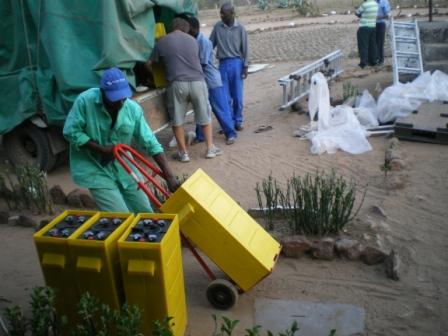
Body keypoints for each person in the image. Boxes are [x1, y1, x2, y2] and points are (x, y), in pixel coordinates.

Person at [63, 67, 179, 213]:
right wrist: (102, 150)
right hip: (94, 166)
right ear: (103, 92)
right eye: (114, 99)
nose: (119, 103)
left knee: (145, 210)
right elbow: (71, 131)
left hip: (123, 163)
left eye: (122, 98)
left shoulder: (132, 109)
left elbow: (149, 141)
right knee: (121, 215)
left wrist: (169, 176)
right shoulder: (85, 102)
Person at [149, 18, 221, 162]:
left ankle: (184, 153)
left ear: (173, 28)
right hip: (198, 81)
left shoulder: (162, 41)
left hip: (177, 84)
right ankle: (210, 148)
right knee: (204, 116)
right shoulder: (193, 40)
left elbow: (150, 62)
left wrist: (153, 76)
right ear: (185, 29)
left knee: (177, 120)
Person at [183, 15, 237, 146]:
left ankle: (230, 133)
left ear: (194, 28)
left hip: (211, 80)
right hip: (201, 80)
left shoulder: (204, 42)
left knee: (220, 108)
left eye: (187, 28)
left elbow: (202, 63)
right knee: (201, 109)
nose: (186, 31)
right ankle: (201, 136)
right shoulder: (193, 41)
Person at [210, 3, 249, 131]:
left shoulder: (240, 28)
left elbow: (245, 49)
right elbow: (210, 45)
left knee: (237, 96)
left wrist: (245, 66)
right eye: (220, 13)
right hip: (223, 65)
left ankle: (238, 120)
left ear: (232, 14)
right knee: (225, 97)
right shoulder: (217, 27)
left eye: (224, 13)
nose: (221, 15)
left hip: (237, 63)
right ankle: (229, 122)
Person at [355, 0, 379, 68]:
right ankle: (373, 61)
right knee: (372, 45)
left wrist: (357, 11)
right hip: (373, 26)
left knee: (363, 46)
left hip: (364, 27)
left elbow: (357, 13)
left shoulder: (364, 4)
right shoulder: (375, 4)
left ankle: (363, 63)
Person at [376, 0, 391, 65]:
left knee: (380, 42)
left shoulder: (385, 2)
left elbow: (388, 15)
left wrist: (380, 17)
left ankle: (380, 60)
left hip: (381, 24)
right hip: (372, 24)